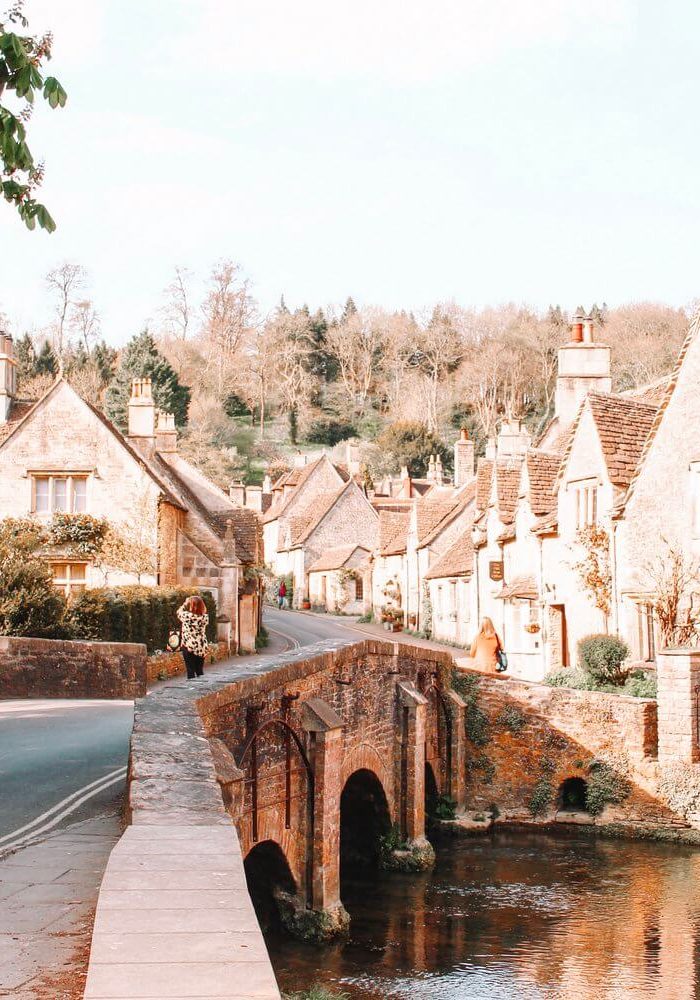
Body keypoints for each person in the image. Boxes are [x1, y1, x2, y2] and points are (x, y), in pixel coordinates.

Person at [176, 595, 209, 679]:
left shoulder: (187, 616)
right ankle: (202, 688)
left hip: (189, 645)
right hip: (201, 646)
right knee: (199, 671)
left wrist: (185, 603)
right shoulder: (205, 617)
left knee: (190, 671)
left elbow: (178, 612)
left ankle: (192, 689)